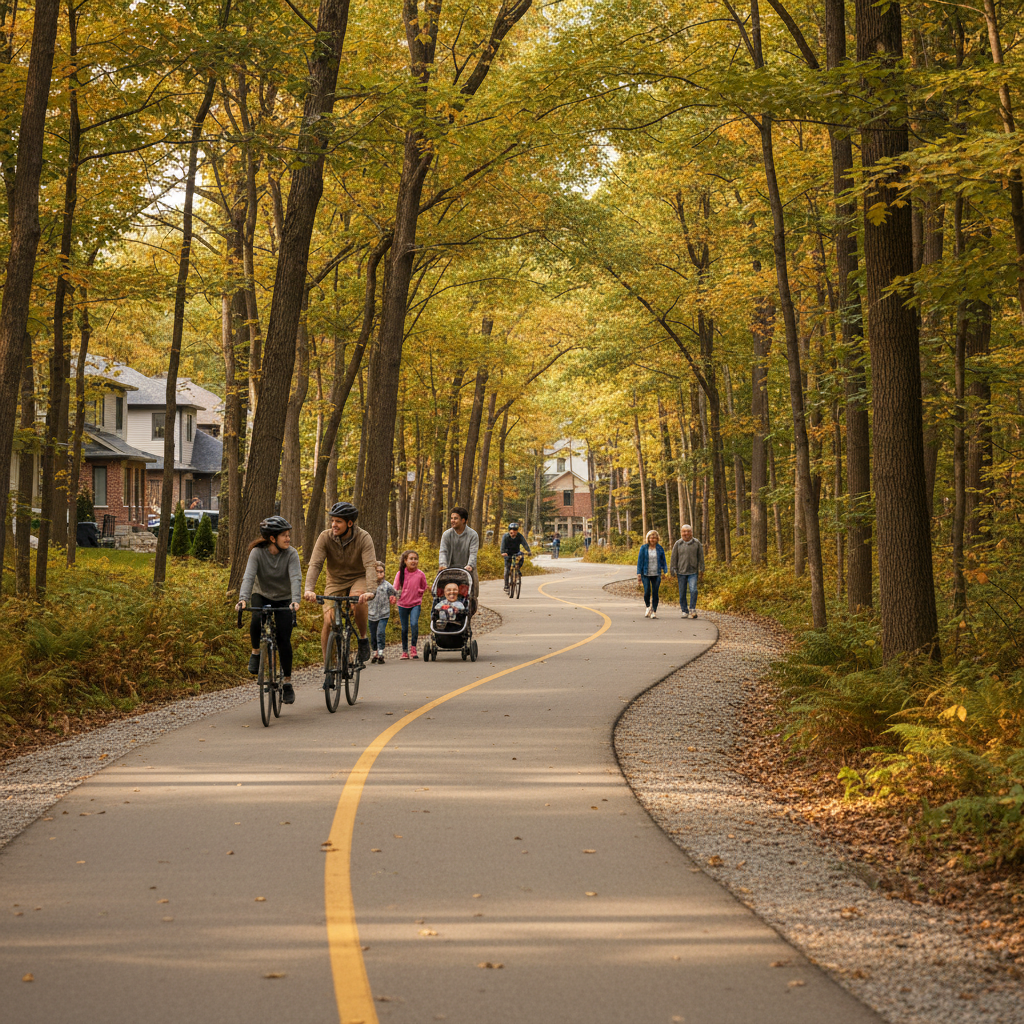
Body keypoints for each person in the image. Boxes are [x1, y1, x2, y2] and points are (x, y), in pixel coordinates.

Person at [236, 515, 301, 704]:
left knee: (283, 639)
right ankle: (256, 652)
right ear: (272, 538)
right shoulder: (257, 553)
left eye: (288, 535)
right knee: (256, 618)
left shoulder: (291, 554)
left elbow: (296, 577)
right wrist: (242, 599)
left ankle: (287, 682)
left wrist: (295, 600)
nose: (288, 539)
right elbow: (248, 577)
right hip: (261, 593)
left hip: (284, 598)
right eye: (284, 536)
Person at [303, 501, 377, 666]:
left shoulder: (363, 537)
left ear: (350, 523)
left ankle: (363, 638)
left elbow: (370, 566)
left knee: (358, 600)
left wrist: (371, 590)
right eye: (332, 521)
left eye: (338, 521)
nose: (333, 525)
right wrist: (309, 589)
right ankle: (328, 665)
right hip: (335, 581)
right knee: (329, 621)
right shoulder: (325, 537)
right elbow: (315, 564)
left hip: (359, 577)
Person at [439, 506, 479, 602]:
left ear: (463, 520)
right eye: (452, 518)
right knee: (442, 592)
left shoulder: (473, 535)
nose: (452, 520)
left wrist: (470, 565)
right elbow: (443, 551)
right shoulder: (447, 534)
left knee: (471, 595)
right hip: (449, 569)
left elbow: (473, 553)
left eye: (456, 518)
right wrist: (442, 564)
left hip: (466, 570)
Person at [394, 549, 427, 660]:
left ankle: (413, 648)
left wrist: (420, 591)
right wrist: (393, 596)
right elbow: (395, 587)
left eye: (415, 559)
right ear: (405, 560)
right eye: (411, 559)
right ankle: (404, 651)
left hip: (415, 604)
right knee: (404, 628)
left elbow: (424, 586)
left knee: (413, 624)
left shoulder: (420, 574)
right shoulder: (400, 573)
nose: (414, 561)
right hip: (402, 604)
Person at [670, 523, 705, 619]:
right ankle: (684, 610)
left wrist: (702, 569)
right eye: (684, 531)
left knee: (693, 590)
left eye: (688, 531)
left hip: (693, 572)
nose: (686, 533)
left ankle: (692, 608)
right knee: (682, 592)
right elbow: (674, 558)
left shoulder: (697, 543)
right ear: (681, 533)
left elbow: (701, 557)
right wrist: (672, 569)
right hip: (681, 572)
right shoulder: (678, 544)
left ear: (691, 532)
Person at [366, 561, 398, 664]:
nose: (380, 573)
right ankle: (374, 652)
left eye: (382, 571)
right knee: (373, 634)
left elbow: (395, 593)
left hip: (383, 613)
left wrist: (394, 598)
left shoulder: (386, 585)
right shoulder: (369, 585)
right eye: (377, 571)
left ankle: (380, 652)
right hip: (371, 613)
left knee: (380, 632)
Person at [636, 528, 668, 619]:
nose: (652, 539)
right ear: (648, 538)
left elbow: (663, 561)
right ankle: (647, 606)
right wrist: (639, 573)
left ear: (657, 538)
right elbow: (640, 561)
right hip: (645, 573)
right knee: (647, 591)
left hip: (656, 573)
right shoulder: (643, 548)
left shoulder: (660, 548)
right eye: (651, 537)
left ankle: (654, 610)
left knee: (655, 592)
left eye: (654, 537)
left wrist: (665, 572)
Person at [500, 521, 531, 591]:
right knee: (507, 570)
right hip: (507, 553)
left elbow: (524, 544)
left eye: (515, 530)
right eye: (512, 531)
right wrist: (503, 552)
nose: (513, 532)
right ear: (509, 531)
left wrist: (528, 551)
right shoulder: (506, 537)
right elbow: (502, 545)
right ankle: (506, 585)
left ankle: (517, 570)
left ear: (517, 531)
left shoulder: (519, 536)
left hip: (516, 552)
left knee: (521, 557)